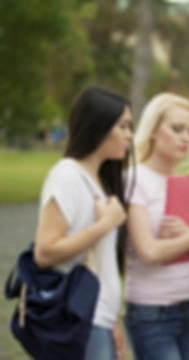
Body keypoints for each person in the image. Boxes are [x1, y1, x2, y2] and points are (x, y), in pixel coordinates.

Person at [33, 86, 133, 359]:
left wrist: (114, 319)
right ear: (98, 126)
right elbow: (45, 252)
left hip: (99, 319)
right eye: (122, 126)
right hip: (81, 319)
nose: (129, 135)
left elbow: (104, 264)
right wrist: (105, 225)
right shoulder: (67, 176)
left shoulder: (98, 181)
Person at [124, 93, 189, 359]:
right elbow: (149, 253)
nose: (186, 138)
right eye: (176, 129)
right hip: (152, 311)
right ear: (153, 130)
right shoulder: (134, 179)